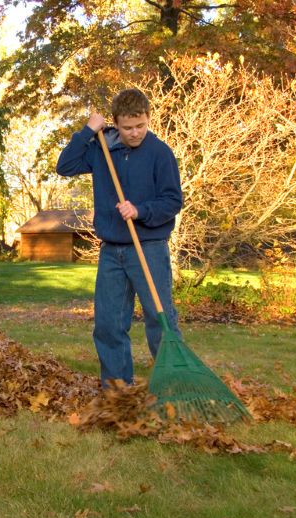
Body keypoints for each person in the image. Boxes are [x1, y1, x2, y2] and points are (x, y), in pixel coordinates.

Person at [55, 88, 183, 388]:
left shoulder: (160, 153)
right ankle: (117, 387)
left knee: (159, 319)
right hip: (112, 250)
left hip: (148, 248)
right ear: (115, 123)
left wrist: (140, 210)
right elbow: (65, 166)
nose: (135, 132)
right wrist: (88, 130)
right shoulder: (102, 147)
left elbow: (172, 200)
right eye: (127, 128)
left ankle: (174, 383)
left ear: (148, 119)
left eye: (141, 125)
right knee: (109, 323)